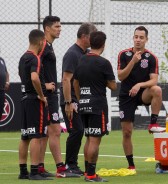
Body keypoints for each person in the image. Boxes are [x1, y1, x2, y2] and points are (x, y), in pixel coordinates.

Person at [117, 26, 165, 170]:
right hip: (126, 95)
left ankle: (153, 123)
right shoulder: (123, 54)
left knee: (156, 89)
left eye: (141, 37)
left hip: (143, 93)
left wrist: (139, 84)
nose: (138, 40)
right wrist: (133, 61)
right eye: (136, 37)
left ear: (146, 39)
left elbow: (154, 81)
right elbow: (120, 76)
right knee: (127, 131)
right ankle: (131, 164)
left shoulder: (152, 58)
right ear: (133, 38)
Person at [38, 15, 79, 178]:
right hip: (48, 95)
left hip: (50, 95)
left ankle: (39, 167)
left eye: (60, 26)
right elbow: (32, 65)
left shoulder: (48, 46)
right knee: (55, 131)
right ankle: (61, 168)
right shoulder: (42, 46)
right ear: (47, 28)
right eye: (56, 26)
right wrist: (43, 86)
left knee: (48, 132)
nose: (60, 29)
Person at [73, 31, 116, 182]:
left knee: (88, 138)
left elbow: (75, 82)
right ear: (103, 45)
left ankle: (87, 171)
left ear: (91, 42)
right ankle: (91, 174)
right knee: (95, 140)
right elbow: (112, 86)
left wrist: (80, 98)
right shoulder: (104, 63)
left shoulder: (81, 59)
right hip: (97, 104)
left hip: (84, 104)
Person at [60, 23, 97, 175]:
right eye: (92, 37)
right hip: (71, 101)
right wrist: (68, 103)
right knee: (76, 130)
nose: (94, 40)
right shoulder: (72, 54)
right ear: (84, 37)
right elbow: (66, 80)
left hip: (81, 100)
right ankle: (70, 166)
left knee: (81, 131)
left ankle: (75, 165)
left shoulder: (86, 52)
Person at [18, 29, 51, 180]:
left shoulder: (22, 57)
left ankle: (23, 171)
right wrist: (42, 96)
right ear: (40, 42)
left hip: (24, 98)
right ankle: (35, 171)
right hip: (34, 100)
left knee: (25, 136)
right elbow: (34, 78)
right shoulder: (35, 58)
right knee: (37, 136)